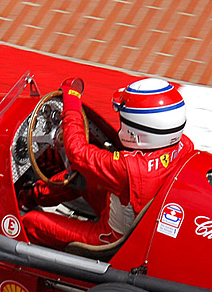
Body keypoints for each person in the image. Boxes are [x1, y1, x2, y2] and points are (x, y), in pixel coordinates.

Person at [21, 77, 194, 250]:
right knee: (81, 176)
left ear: (135, 132)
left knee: (31, 222)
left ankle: (25, 206)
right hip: (134, 216)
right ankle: (29, 195)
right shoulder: (185, 145)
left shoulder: (127, 168)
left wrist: (72, 102)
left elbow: (77, 152)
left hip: (108, 239)